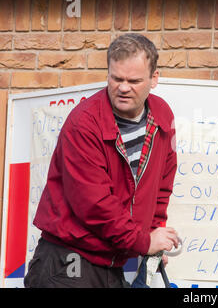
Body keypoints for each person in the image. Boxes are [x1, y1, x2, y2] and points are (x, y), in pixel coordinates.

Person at [24, 33, 179, 288]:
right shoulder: (84, 124)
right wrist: (144, 242)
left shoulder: (162, 116)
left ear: (154, 79)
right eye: (116, 78)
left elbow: (162, 184)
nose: (123, 87)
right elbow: (95, 204)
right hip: (67, 265)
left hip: (112, 264)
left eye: (134, 80)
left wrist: (153, 236)